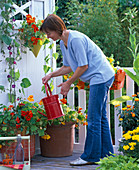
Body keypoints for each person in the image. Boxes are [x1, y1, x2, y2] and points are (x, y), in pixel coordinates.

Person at [40, 14, 115, 166]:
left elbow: (83, 66)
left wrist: (68, 83)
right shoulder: (63, 43)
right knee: (100, 118)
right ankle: (107, 155)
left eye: (49, 32)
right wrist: (51, 75)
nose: (48, 36)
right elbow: (68, 66)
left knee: (93, 118)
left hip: (100, 76)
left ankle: (91, 156)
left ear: (56, 28)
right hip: (99, 77)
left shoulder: (76, 40)